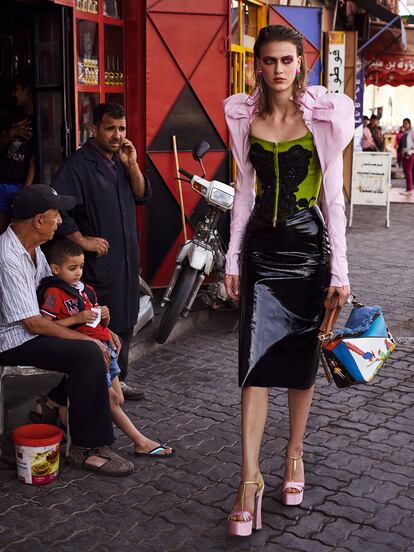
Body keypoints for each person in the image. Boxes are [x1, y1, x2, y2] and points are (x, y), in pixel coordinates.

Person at [223, 25, 354, 537]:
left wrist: (340, 272)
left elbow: (335, 201)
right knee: (253, 364)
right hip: (261, 251)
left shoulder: (324, 118)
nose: (277, 70)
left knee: (301, 361)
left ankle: (294, 455)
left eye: (287, 60)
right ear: (257, 65)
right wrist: (233, 259)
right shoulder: (243, 116)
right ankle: (248, 480)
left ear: (302, 63)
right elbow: (242, 193)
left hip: (307, 251)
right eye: (269, 61)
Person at [0, 184, 134, 476]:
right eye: (56, 214)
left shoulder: (34, 250)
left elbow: (64, 295)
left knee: (91, 347)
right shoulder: (8, 256)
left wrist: (96, 327)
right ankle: (86, 448)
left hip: (34, 332)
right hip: (14, 340)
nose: (60, 220)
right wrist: (87, 339)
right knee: (86, 353)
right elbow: (32, 323)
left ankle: (51, 407)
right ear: (38, 220)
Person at [36, 238, 175, 458]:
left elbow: (95, 324)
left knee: (118, 399)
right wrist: (76, 318)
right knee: (110, 400)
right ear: (55, 269)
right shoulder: (54, 293)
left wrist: (105, 321)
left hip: (106, 350)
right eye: (72, 268)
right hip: (89, 352)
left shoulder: (87, 290)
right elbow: (46, 325)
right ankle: (140, 441)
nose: (78, 273)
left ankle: (55, 405)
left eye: (81, 267)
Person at [52, 103, 151, 400]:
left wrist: (132, 164)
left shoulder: (122, 160)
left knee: (127, 318)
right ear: (94, 129)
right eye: (110, 128)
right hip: (98, 263)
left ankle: (119, 378)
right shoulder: (78, 166)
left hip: (126, 255)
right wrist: (82, 241)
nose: (117, 135)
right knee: (101, 325)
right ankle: (84, 388)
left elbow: (141, 194)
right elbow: (60, 209)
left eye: (121, 129)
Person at [0, 72, 35, 233]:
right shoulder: (14, 116)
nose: (14, 94)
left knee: (17, 233)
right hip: (4, 182)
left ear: (27, 90)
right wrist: (12, 132)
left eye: (17, 89)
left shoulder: (39, 119)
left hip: (21, 184)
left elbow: (36, 158)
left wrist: (26, 189)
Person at [400, 118, 414, 195]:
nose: (404, 125)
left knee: (408, 171)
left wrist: (410, 151)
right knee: (407, 171)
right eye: (403, 123)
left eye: (406, 123)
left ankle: (409, 189)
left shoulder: (412, 131)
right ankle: (409, 188)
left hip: (410, 154)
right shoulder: (405, 132)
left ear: (409, 123)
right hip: (405, 153)